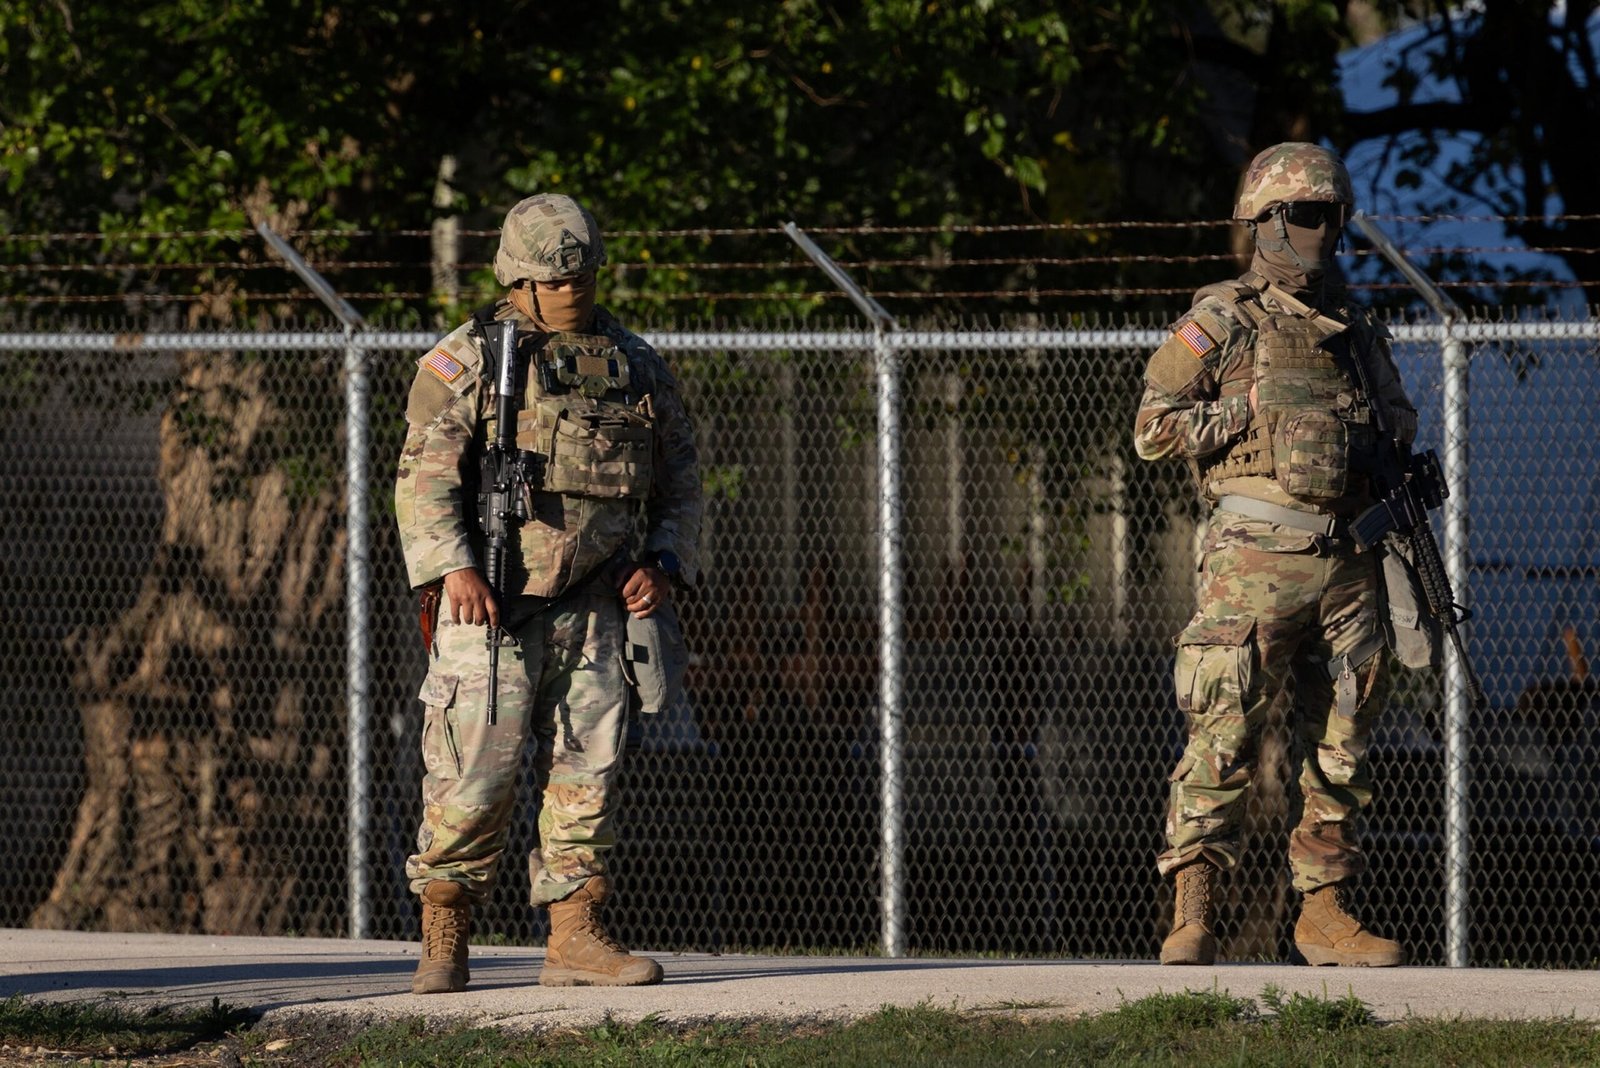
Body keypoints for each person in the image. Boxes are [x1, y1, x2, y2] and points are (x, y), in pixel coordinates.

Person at [395, 192, 702, 992]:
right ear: (519, 284)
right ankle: (445, 933)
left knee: (587, 779)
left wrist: (661, 564)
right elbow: (422, 477)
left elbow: (681, 479)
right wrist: (453, 567)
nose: (575, 291)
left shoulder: (632, 362)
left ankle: (575, 937)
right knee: (473, 781)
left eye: (585, 276)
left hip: (596, 605)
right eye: (556, 280)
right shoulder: (468, 362)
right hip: (488, 605)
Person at [1133, 142, 1419, 967]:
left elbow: (1398, 419)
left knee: (1344, 740)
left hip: (1349, 557)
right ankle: (1194, 912)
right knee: (1222, 729)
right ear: (1263, 222)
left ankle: (1324, 916)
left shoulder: (1353, 324)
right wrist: (1242, 417)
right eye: (1304, 215)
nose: (1322, 231)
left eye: (1332, 215)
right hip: (1253, 558)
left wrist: (1373, 447)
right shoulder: (1222, 318)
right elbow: (1153, 428)